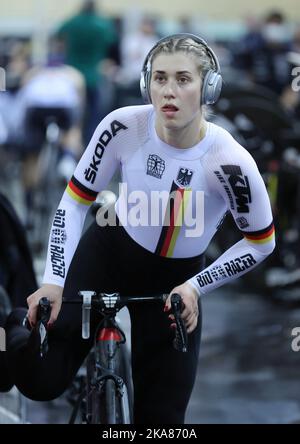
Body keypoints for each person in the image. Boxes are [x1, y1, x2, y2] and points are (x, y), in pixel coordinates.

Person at [2, 34, 275, 423]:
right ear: (147, 82)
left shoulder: (229, 161)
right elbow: (75, 200)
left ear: (208, 87)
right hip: (109, 253)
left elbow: (261, 243)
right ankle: (9, 322)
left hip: (175, 283)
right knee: (41, 381)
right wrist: (53, 281)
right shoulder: (123, 126)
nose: (169, 90)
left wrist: (197, 287)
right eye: (160, 78)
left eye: (183, 79)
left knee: (161, 422)